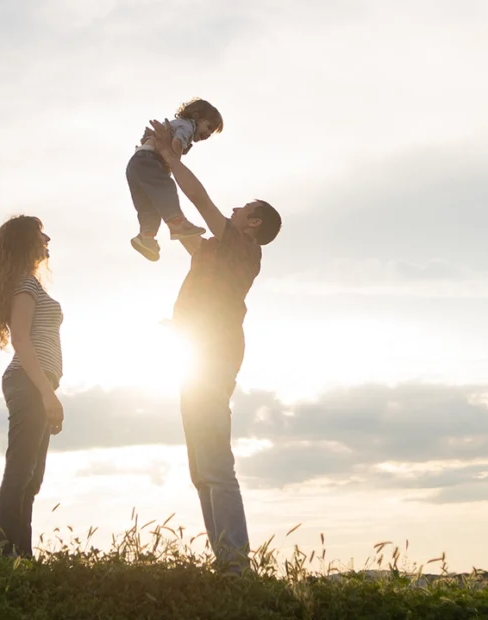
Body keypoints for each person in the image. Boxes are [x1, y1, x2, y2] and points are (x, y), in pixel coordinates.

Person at [145, 118, 282, 572]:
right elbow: (190, 238)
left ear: (253, 223)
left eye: (243, 208)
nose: (235, 209)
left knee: (217, 468)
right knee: (200, 469)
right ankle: (225, 563)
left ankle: (237, 568)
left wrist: (171, 158)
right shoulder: (220, 250)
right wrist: (157, 182)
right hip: (196, 357)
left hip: (214, 359)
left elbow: (201, 202)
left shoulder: (244, 250)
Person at [0, 215, 65, 558]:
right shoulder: (26, 285)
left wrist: (48, 392)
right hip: (30, 381)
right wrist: (46, 394)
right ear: (25, 242)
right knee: (20, 472)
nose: (47, 238)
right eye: (40, 234)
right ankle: (6, 557)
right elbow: (21, 340)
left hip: (37, 382)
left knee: (31, 478)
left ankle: (22, 560)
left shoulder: (29, 283)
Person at [127, 97, 225, 262]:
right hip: (149, 160)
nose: (208, 134)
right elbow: (177, 143)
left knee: (149, 206)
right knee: (166, 189)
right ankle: (177, 223)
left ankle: (146, 237)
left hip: (136, 164)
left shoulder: (179, 124)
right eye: (208, 127)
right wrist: (175, 164)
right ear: (196, 117)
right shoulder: (186, 126)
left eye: (211, 132)